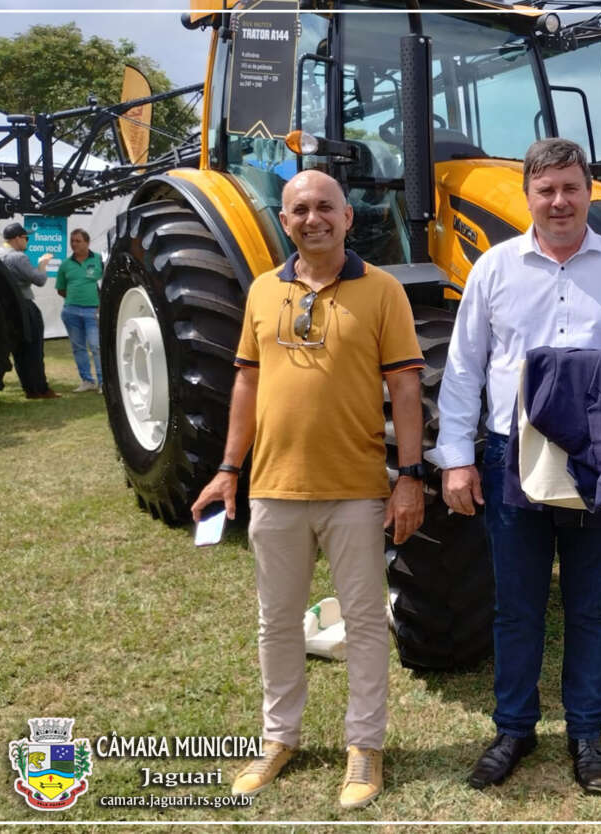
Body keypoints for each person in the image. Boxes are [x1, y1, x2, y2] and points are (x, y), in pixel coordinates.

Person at [429, 138, 601, 794]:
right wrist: (456, 460)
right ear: (528, 196)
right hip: (512, 455)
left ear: (588, 191)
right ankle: (513, 729)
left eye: (571, 188)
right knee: (516, 606)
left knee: (592, 605)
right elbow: (463, 369)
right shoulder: (494, 269)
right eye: (546, 190)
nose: (560, 201)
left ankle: (587, 734)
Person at [190, 170, 426, 810]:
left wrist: (409, 478)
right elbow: (245, 383)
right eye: (300, 209)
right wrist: (228, 469)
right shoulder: (264, 291)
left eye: (326, 207)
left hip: (355, 490)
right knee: (276, 622)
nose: (313, 218)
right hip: (273, 488)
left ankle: (365, 747)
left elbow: (405, 389)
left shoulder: (383, 292)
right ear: (284, 219)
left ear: (349, 217)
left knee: (367, 624)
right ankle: (279, 737)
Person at [0, 222, 59, 399]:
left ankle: (29, 388)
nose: (27, 241)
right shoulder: (18, 257)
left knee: (20, 351)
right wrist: (42, 264)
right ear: (17, 238)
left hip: (7, 308)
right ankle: (40, 389)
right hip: (25, 305)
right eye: (26, 237)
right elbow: (39, 280)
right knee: (34, 349)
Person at [55, 228, 105, 392]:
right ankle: (87, 381)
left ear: (87, 242)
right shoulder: (65, 264)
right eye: (72, 241)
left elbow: (107, 283)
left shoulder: (98, 259)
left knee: (96, 346)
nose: (74, 244)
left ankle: (103, 382)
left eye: (78, 241)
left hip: (92, 312)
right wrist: (75, 300)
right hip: (71, 312)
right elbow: (61, 289)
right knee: (78, 348)